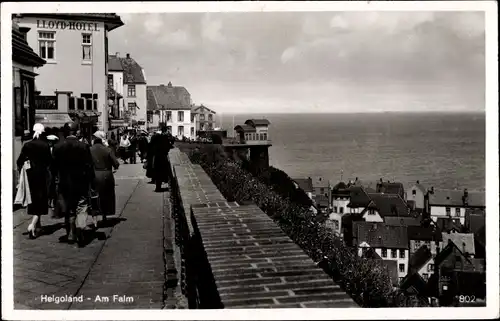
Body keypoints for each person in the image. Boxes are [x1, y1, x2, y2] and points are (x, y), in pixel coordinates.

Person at [52, 123, 95, 245]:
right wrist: (92, 183)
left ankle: (70, 232)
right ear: (76, 132)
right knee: (81, 207)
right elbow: (90, 166)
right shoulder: (84, 146)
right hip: (81, 183)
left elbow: (53, 168)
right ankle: (80, 228)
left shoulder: (58, 147)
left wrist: (55, 181)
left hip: (64, 183)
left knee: (69, 209)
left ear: (65, 132)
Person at [16, 123, 52, 239]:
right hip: (42, 175)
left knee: (32, 199)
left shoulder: (27, 145)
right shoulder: (45, 145)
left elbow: (19, 161)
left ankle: (38, 225)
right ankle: (32, 225)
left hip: (29, 176)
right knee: (41, 201)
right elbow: (49, 162)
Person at [90, 131, 120, 226]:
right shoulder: (107, 150)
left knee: (93, 196)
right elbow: (116, 164)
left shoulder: (89, 150)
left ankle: (94, 218)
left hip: (94, 174)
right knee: (107, 196)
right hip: (107, 174)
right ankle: (104, 216)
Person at [149, 127, 175, 192]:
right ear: (165, 131)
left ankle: (158, 187)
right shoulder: (164, 137)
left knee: (157, 173)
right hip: (162, 157)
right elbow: (168, 147)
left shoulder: (157, 137)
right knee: (165, 172)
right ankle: (169, 188)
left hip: (156, 157)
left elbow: (151, 145)